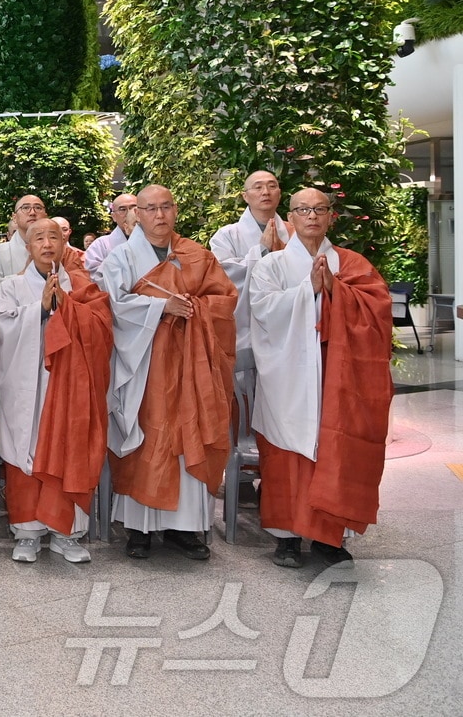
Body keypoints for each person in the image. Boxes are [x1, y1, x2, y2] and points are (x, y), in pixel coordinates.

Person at [249, 189, 393, 569]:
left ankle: (331, 537)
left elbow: (378, 312)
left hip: (340, 375)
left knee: (337, 451)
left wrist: (335, 288)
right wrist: (308, 289)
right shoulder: (272, 266)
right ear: (289, 218)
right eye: (303, 210)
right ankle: (287, 538)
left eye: (319, 209)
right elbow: (261, 312)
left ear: (332, 216)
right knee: (287, 455)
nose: (311, 216)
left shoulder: (353, 264)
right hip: (288, 375)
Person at [93, 185, 237, 561]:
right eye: (150, 208)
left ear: (175, 210)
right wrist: (161, 308)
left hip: (192, 364)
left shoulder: (198, 255)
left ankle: (185, 529)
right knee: (146, 438)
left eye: (166, 207)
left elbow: (224, 302)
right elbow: (110, 305)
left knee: (188, 432)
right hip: (143, 365)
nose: (159, 215)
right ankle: (139, 529)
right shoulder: (121, 258)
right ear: (135, 214)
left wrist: (194, 308)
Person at [0, 219, 113, 564]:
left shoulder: (84, 288)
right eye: (38, 238)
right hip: (27, 386)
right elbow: (1, 328)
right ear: (27, 247)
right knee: (26, 452)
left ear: (64, 244)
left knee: (70, 447)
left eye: (53, 237)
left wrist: (69, 308)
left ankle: (67, 532)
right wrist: (40, 310)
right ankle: (27, 532)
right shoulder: (10, 287)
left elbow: (103, 332)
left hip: (72, 387)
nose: (46, 244)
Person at [210, 170, 290, 371]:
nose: (266, 192)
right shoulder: (226, 235)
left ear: (279, 193)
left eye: (272, 186)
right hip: (247, 327)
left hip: (287, 324)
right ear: (245, 196)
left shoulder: (296, 231)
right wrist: (260, 252)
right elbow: (224, 278)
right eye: (258, 187)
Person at [0, 195, 49, 289]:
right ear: (15, 217)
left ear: (46, 216)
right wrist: (21, 276)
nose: (32, 212)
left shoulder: (61, 252)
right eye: (25, 207)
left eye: (38, 208)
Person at [83, 193, 138, 274]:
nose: (129, 213)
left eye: (133, 208)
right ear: (114, 217)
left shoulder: (154, 240)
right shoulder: (100, 245)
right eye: (123, 209)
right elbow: (93, 275)